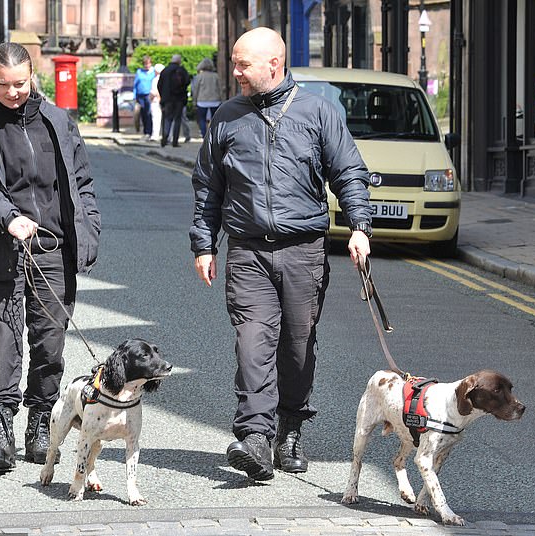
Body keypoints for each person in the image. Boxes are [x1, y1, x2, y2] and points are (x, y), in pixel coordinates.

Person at [189, 27, 373, 482]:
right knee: (253, 343)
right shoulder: (227, 118)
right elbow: (207, 187)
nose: (235, 73)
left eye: (242, 65)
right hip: (247, 252)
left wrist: (359, 227)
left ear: (274, 63)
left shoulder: (317, 112)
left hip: (303, 251)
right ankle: (254, 436)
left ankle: (289, 427)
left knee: (296, 348)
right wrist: (203, 242)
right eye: (234, 64)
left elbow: (348, 172)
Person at [0, 42, 101, 471]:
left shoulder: (57, 121)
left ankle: (40, 422)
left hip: (52, 250)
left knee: (50, 342)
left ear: (33, 77)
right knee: (4, 341)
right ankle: (0, 427)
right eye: (3, 85)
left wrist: (90, 229)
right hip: (1, 247)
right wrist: (9, 217)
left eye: (19, 83)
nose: (12, 92)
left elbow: (82, 181)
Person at [157, 53, 190, 147]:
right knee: (177, 120)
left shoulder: (165, 71)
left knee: (167, 119)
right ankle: (175, 141)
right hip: (179, 98)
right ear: (179, 61)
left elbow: (159, 85)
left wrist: (163, 95)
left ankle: (164, 139)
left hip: (167, 99)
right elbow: (187, 82)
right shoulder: (182, 70)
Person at [191, 57, 222, 138]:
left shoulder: (199, 76)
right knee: (215, 120)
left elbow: (195, 90)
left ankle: (205, 136)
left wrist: (194, 101)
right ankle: (214, 135)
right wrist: (221, 99)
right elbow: (220, 89)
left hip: (202, 101)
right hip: (215, 100)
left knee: (202, 119)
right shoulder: (216, 76)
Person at [132, 55, 156, 139]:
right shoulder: (139, 72)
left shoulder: (153, 73)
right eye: (145, 64)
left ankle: (149, 132)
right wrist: (134, 96)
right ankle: (145, 131)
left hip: (148, 95)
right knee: (142, 114)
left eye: (148, 64)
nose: (147, 65)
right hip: (140, 96)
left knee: (148, 113)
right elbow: (135, 85)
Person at [149, 63, 165, 140]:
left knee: (156, 119)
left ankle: (155, 135)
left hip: (156, 101)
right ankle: (167, 136)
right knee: (166, 119)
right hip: (164, 101)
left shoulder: (155, 79)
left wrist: (151, 97)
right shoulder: (165, 78)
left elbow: (154, 92)